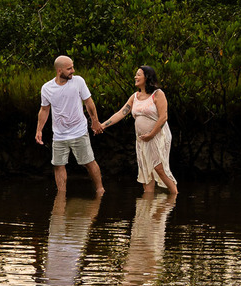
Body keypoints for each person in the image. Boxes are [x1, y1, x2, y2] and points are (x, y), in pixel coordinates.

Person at [96, 65, 178, 195]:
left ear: (147, 77)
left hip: (158, 136)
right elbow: (121, 113)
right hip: (142, 139)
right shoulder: (134, 97)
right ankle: (147, 206)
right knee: (146, 169)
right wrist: (103, 125)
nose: (135, 77)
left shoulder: (158, 94)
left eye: (138, 74)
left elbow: (163, 118)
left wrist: (151, 134)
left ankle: (174, 195)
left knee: (159, 167)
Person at [35, 55, 105, 196]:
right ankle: (61, 195)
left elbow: (89, 102)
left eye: (73, 67)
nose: (73, 70)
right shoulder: (47, 88)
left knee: (89, 161)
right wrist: (39, 130)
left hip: (79, 131)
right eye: (69, 68)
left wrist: (95, 121)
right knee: (58, 165)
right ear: (59, 70)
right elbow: (44, 109)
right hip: (59, 134)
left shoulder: (78, 81)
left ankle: (100, 190)